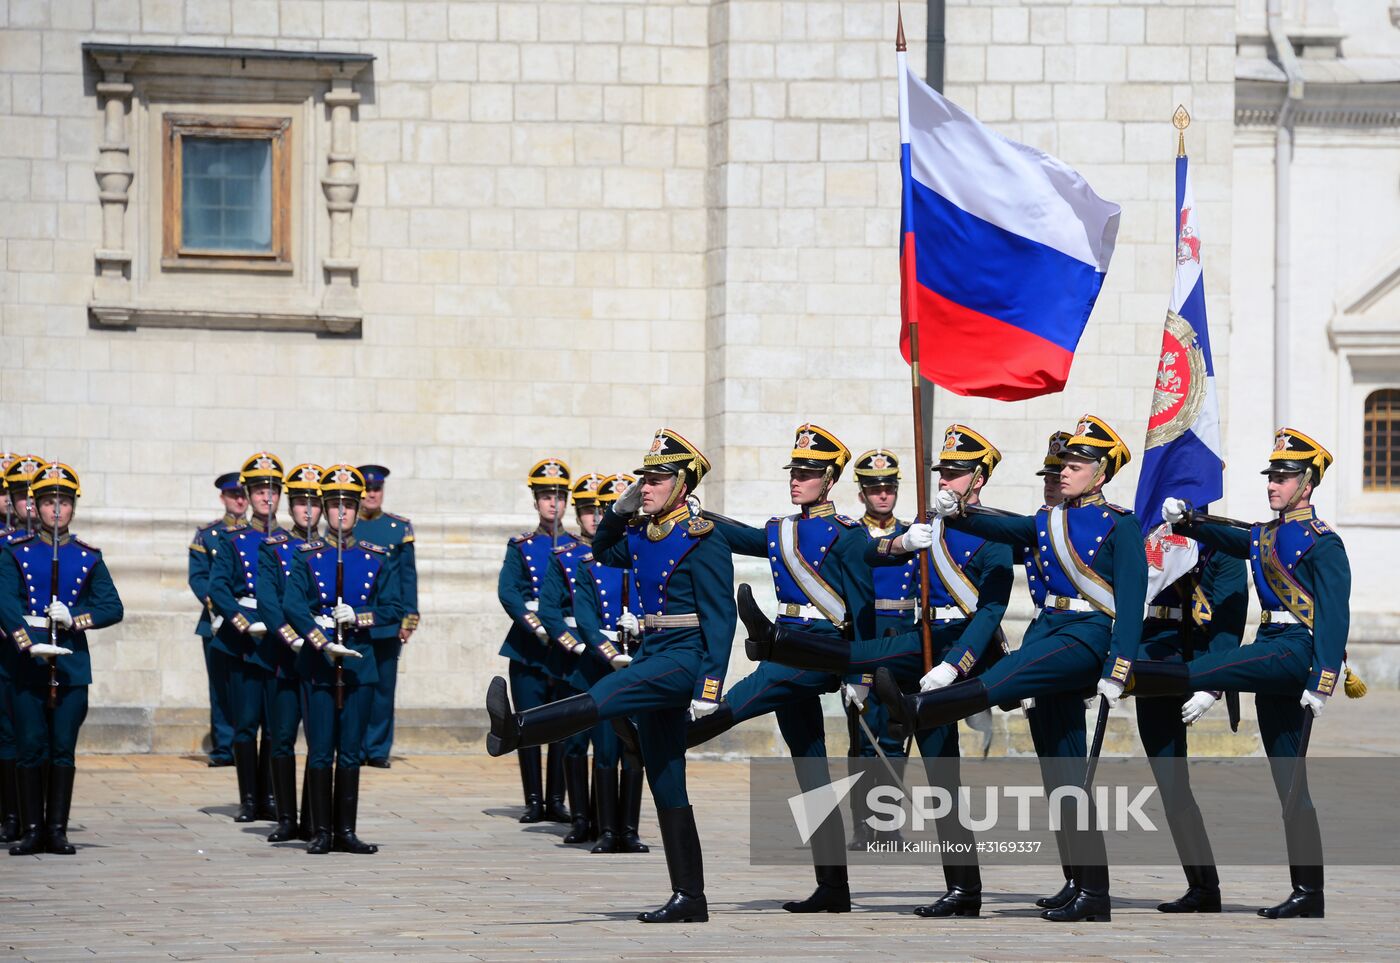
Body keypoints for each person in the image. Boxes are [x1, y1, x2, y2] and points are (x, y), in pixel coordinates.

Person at [874, 415, 1148, 923]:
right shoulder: (1048, 521)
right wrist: (955, 511)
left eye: (1078, 463)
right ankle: (1088, 888)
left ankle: (918, 707)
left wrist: (1120, 666)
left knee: (1006, 676)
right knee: (1063, 771)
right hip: (1051, 631)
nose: (1065, 471)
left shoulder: (1120, 524)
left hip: (1086, 636)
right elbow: (1002, 525)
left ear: (1103, 471)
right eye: (1064, 463)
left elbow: (1132, 603)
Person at [741, 426, 1012, 918]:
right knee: (855, 712)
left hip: (940, 657)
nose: (945, 482)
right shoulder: (923, 529)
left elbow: (989, 610)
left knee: (940, 773)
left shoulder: (994, 534)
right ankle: (779, 643)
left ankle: (964, 888)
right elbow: (876, 560)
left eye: (955, 474)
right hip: (910, 643)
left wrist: (961, 667)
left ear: (979, 479)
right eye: (943, 473)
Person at [487, 428, 735, 923]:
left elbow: (721, 618)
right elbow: (602, 550)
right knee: (667, 779)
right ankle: (691, 897)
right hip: (654, 648)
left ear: (682, 485)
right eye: (644, 477)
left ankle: (518, 729)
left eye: (658, 478)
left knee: (610, 692)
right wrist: (619, 512)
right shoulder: (644, 535)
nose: (647, 485)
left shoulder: (702, 539)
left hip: (681, 657)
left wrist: (709, 686)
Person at [1139, 428, 1351, 920]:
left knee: (1209, 669)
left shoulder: (1325, 544)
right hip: (1272, 646)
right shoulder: (1265, 534)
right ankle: (1309, 893)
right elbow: (1231, 536)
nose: (1274, 484)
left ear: (1309, 482)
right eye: (1272, 476)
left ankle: (1133, 679)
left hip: (1296, 650)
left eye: (1285, 476)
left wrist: (1323, 681)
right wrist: (1188, 521)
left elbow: (1335, 619)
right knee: (1290, 781)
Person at [686, 424, 873, 914]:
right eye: (794, 472)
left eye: (808, 473)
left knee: (747, 696)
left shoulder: (849, 536)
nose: (797, 480)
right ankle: (833, 888)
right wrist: (692, 513)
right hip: (786, 644)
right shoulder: (783, 530)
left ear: (830, 479)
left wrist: (861, 676)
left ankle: (672, 737)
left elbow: (864, 611)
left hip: (819, 652)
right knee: (811, 770)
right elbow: (740, 536)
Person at [1, 462, 124, 855]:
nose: (57, 510)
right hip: (29, 660)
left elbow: (112, 606)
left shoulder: (88, 556)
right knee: (31, 744)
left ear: (73, 508)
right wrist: (27, 642)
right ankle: (32, 829)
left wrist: (77, 618)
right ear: (34, 507)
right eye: (49, 502)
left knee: (62, 748)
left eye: (64, 502)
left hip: (70, 661)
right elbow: (5, 601)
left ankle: (57, 830)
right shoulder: (16, 553)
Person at [284, 465, 402, 855]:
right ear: (324, 510)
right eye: (334, 506)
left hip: (359, 661)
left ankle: (345, 831)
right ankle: (320, 831)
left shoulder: (376, 556)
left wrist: (360, 616)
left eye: (348, 506)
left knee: (350, 750)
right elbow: (293, 605)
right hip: (319, 665)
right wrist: (320, 641)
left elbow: (393, 606)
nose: (341, 513)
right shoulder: (307, 555)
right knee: (320, 749)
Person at [565, 473, 649, 854]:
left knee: (635, 748)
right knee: (605, 747)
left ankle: (629, 830)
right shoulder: (589, 565)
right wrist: (610, 651)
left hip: (640, 660)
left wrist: (643, 625)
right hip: (604, 663)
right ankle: (606, 830)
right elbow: (584, 617)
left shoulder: (648, 555)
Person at [206, 453, 284, 823]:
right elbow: (217, 588)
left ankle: (270, 795)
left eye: (272, 490)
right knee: (245, 723)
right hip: (241, 640)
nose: (266, 497)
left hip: (277, 640)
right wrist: (241, 620)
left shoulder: (290, 540)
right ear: (249, 495)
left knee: (274, 724)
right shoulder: (232, 539)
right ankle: (249, 799)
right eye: (259, 490)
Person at [496, 458, 574, 824]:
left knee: (562, 724)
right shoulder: (521, 546)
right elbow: (508, 591)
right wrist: (535, 623)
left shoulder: (578, 547)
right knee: (525, 722)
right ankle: (533, 799)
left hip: (565, 650)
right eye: (545, 496)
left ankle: (557, 799)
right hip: (529, 647)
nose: (552, 503)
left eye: (558, 496)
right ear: (536, 501)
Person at [255, 464, 324, 843]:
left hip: (319, 659)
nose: (307, 510)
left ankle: (314, 817)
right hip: (284, 655)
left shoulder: (333, 552)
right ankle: (285, 817)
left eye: (314, 503)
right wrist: (293, 637)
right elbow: (269, 600)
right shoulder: (275, 548)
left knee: (318, 741)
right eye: (300, 502)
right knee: (281, 738)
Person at [538, 472, 606, 844]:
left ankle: (606, 817)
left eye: (599, 511)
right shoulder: (564, 557)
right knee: (576, 740)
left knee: (609, 740)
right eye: (586, 511)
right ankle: (580, 818)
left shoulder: (621, 554)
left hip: (612, 659)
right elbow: (550, 611)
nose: (594, 518)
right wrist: (575, 643)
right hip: (575, 658)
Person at [356, 464, 418, 769]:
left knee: (383, 688)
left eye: (376, 489)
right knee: (358, 687)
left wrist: (409, 617)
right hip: (355, 618)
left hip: (389, 619)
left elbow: (408, 576)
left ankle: (378, 748)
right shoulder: (345, 525)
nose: (371, 494)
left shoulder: (398, 528)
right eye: (366, 489)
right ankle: (356, 744)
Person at [188, 472, 247, 768]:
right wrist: (221, 608)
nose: (239, 500)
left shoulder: (258, 534)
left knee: (247, 688)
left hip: (252, 622)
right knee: (221, 686)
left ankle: (246, 745)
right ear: (222, 498)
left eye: (242, 494)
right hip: (216, 622)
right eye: (232, 495)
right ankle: (224, 747)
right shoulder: (208, 535)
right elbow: (199, 578)